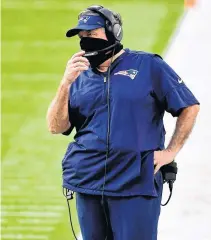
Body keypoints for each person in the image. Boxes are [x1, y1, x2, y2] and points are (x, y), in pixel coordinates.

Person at [46, 5, 200, 240]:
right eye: (82, 37)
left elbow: (189, 106)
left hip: (135, 182)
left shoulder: (148, 66)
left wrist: (171, 152)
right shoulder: (78, 76)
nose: (86, 41)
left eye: (92, 34)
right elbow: (56, 127)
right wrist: (65, 83)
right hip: (88, 180)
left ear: (113, 32)